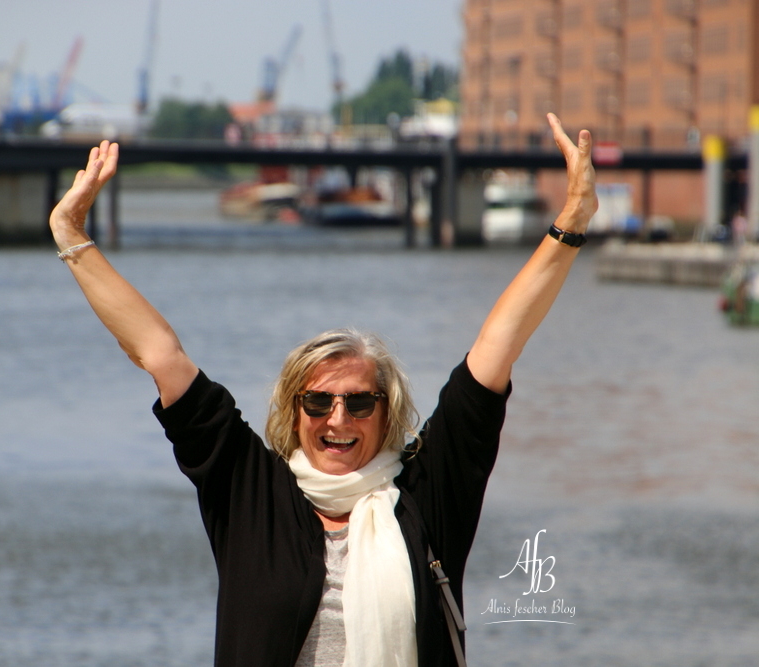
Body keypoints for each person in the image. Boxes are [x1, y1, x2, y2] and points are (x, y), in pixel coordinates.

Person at [48, 113, 597, 667]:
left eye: (360, 402)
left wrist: (571, 222)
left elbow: (497, 346)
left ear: (387, 413)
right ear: (295, 410)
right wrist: (72, 236)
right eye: (319, 402)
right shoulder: (250, 493)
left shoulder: (427, 495)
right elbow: (159, 354)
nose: (338, 419)